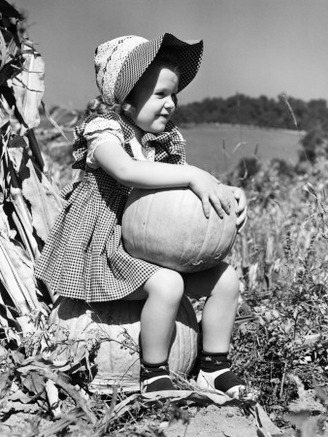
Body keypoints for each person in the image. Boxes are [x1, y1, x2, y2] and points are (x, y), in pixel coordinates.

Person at [35, 33, 248, 398]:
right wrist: (194, 174)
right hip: (106, 249)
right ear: (126, 101)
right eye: (160, 94)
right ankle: (153, 373)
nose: (171, 104)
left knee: (225, 280)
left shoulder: (160, 143)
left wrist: (226, 194)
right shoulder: (104, 133)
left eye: (174, 95)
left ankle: (213, 368)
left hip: (148, 247)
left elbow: (180, 198)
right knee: (167, 285)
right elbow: (127, 172)